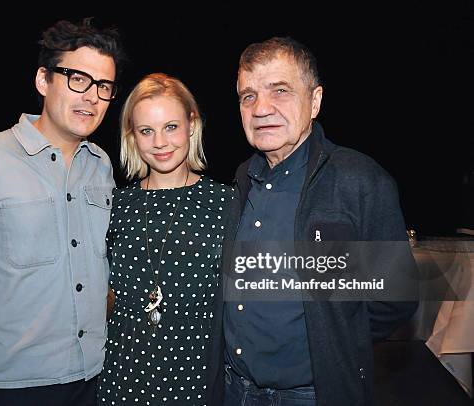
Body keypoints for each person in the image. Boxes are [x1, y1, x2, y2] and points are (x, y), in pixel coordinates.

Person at [0, 19, 125, 406]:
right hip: (13, 390)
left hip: (96, 378)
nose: (91, 97)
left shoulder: (101, 165)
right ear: (43, 80)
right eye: (78, 79)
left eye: (104, 87)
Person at [223, 37, 417, 405]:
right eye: (248, 96)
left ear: (315, 101)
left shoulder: (359, 180)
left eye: (279, 90)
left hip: (312, 395)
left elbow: (394, 299)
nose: (261, 108)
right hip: (235, 390)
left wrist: (336, 336)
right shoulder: (242, 178)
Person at [97, 73, 237, 406]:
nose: (160, 142)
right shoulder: (115, 204)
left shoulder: (227, 203)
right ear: (132, 136)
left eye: (171, 127)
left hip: (197, 379)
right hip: (121, 378)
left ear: (192, 124)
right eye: (147, 131)